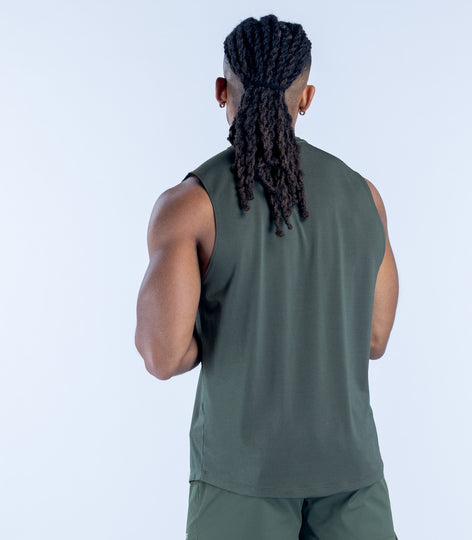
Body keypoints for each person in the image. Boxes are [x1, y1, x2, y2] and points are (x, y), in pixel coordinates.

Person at [135, 13, 399, 540]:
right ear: (306, 98)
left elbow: (163, 356)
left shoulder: (189, 206)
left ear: (221, 90)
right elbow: (374, 338)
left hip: (241, 478)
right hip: (351, 477)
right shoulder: (364, 195)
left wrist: (226, 329)